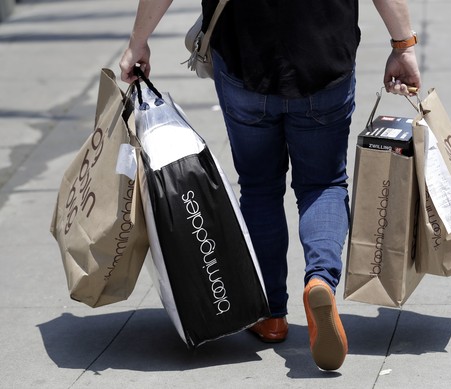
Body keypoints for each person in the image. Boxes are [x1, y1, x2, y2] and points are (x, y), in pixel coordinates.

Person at [120, 0, 421, 371]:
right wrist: (402, 45)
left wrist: (139, 41)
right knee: (323, 183)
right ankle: (320, 281)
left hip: (245, 60)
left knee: (260, 187)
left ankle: (272, 314)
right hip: (324, 59)